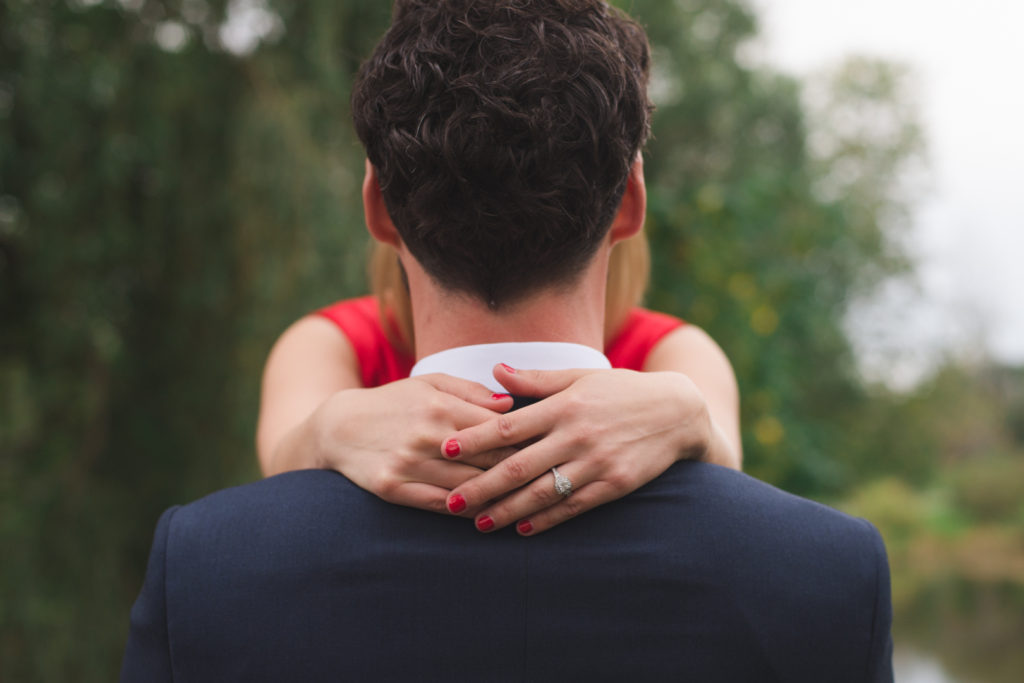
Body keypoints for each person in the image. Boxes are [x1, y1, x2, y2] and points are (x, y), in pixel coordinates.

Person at [121, 1, 894, 680]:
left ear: (379, 209)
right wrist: (329, 425)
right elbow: (728, 473)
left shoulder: (203, 566)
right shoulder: (833, 572)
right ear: (629, 203)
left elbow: (716, 434)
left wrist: (688, 413)